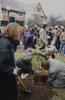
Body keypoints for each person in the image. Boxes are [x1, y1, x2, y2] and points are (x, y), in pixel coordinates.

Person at [0, 23, 21, 100]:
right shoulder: (5, 44)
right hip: (5, 81)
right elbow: (1, 64)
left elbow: (5, 59)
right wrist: (12, 70)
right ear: (14, 33)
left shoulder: (5, 41)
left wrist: (13, 65)